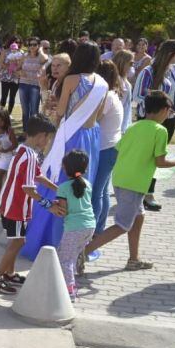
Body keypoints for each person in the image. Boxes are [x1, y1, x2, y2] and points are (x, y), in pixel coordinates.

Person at [83, 91, 175, 270]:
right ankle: (84, 252)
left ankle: (134, 259)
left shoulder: (133, 126)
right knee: (123, 225)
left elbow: (120, 149)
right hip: (134, 184)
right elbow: (160, 162)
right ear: (164, 110)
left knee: (138, 217)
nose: (168, 115)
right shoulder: (160, 131)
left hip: (120, 180)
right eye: (169, 111)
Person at [22, 42, 108, 261]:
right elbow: (99, 115)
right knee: (81, 186)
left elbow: (60, 113)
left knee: (58, 182)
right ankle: (77, 243)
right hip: (91, 136)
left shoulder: (71, 79)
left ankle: (50, 239)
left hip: (71, 135)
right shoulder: (103, 83)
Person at [0, 114, 60, 294]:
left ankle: (9, 273)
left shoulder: (23, 150)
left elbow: (37, 176)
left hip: (9, 205)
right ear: (40, 135)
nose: (47, 142)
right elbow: (28, 188)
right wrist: (48, 204)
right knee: (18, 242)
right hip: (16, 207)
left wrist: (57, 188)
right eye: (48, 138)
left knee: (17, 240)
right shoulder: (30, 157)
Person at [131, 39, 175, 210]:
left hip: (169, 119)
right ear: (169, 53)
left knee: (158, 157)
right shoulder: (149, 71)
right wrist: (159, 107)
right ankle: (139, 191)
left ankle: (148, 193)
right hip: (150, 120)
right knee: (145, 157)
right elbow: (138, 96)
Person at [51, 150, 96, 300]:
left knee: (65, 260)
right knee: (67, 253)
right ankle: (66, 278)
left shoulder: (63, 188)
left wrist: (52, 206)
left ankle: (69, 290)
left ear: (65, 168)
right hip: (89, 226)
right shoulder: (87, 184)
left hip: (74, 228)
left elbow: (63, 211)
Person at [91, 61, 124, 237]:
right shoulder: (112, 94)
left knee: (97, 191)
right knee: (102, 191)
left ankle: (93, 232)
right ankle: (98, 230)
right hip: (110, 146)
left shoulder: (107, 96)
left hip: (106, 148)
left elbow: (95, 118)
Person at [18, 37, 49, 126]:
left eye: (34, 44)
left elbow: (45, 59)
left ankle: (33, 133)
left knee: (34, 110)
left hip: (35, 86)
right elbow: (17, 68)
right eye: (30, 44)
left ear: (39, 46)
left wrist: (41, 50)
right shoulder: (24, 56)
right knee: (25, 110)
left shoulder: (41, 56)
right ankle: (25, 132)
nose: (32, 46)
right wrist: (20, 72)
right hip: (23, 85)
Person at [39, 53, 71, 120]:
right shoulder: (55, 83)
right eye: (53, 66)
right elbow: (46, 110)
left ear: (68, 67)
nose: (55, 68)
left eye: (58, 65)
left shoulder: (70, 85)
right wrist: (44, 88)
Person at [0, 37, 22, 114]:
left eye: (18, 42)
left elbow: (22, 65)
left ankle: (9, 113)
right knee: (4, 96)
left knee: (12, 96)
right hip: (5, 76)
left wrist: (17, 65)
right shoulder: (5, 51)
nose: (16, 43)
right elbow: (1, 63)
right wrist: (9, 67)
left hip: (16, 77)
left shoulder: (21, 53)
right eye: (14, 41)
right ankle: (1, 113)